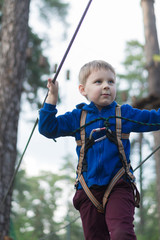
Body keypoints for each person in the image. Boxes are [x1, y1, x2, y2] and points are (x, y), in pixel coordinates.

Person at [38, 60, 160, 240]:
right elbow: (48, 128)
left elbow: (154, 119)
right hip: (88, 190)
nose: (106, 86)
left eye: (111, 82)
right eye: (98, 82)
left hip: (119, 186)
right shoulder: (77, 118)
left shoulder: (124, 114)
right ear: (83, 90)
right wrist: (52, 98)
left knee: (121, 233)